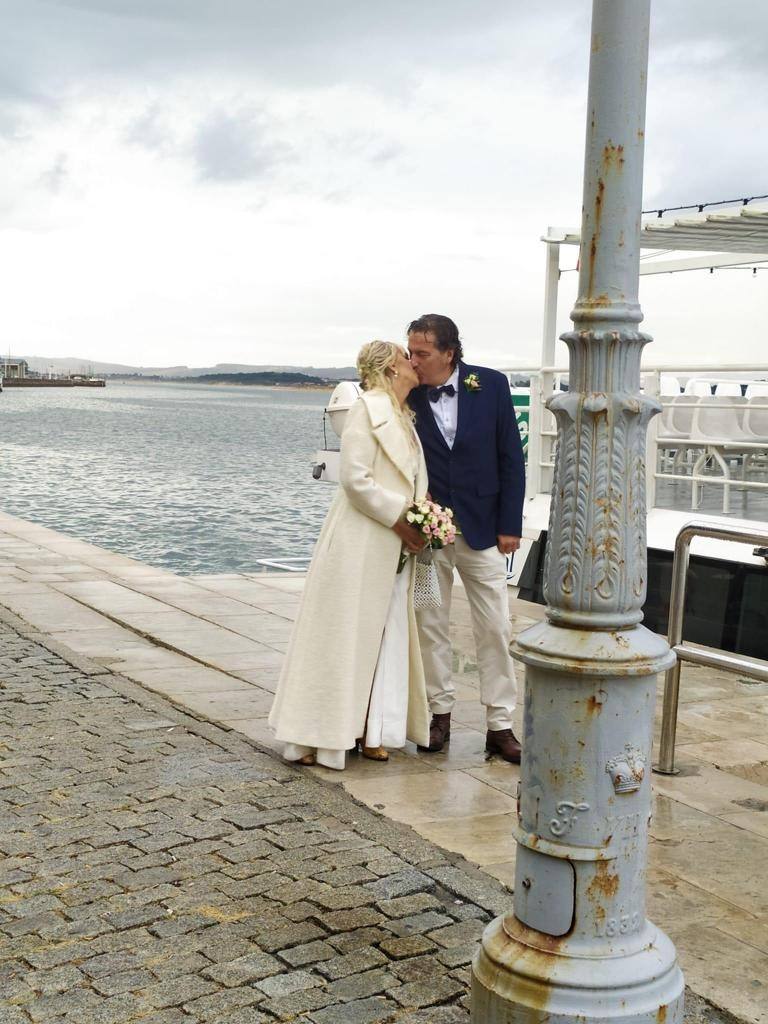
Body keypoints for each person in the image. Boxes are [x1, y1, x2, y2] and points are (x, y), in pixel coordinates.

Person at [268, 341, 430, 769]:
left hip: (392, 542)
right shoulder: (367, 410)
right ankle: (322, 733)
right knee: (343, 636)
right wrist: (402, 519)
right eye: (405, 358)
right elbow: (355, 481)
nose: (414, 364)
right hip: (362, 540)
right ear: (392, 370)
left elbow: (411, 479)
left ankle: (374, 729)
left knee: (384, 634)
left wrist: (424, 518)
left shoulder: (403, 417)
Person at [406, 314, 526, 764]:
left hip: (483, 527)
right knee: (430, 624)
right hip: (430, 529)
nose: (414, 361)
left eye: (423, 353)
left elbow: (511, 457)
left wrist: (509, 525)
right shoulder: (408, 392)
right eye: (411, 352)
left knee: (495, 625)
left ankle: (500, 724)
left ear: (449, 353)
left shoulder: (490, 385)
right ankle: (439, 715)